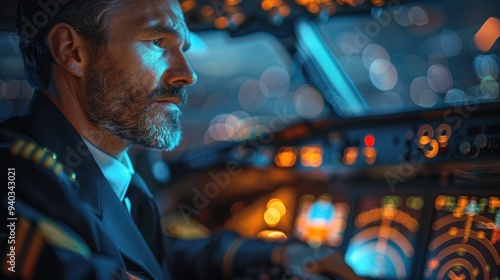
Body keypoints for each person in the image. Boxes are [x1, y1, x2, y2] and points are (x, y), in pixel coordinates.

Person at [0, 0, 362, 279]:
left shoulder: (103, 170)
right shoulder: (16, 186)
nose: (186, 75)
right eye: (158, 42)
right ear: (71, 51)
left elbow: (149, 256)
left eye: (183, 49)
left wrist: (275, 254)